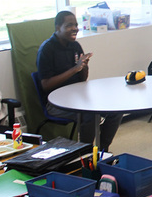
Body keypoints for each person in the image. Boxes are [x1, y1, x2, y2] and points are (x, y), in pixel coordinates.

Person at [36, 10, 122, 151]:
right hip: (56, 103)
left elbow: (82, 79)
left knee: (116, 109)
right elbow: (45, 85)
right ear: (58, 27)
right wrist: (74, 69)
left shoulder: (75, 46)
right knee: (90, 114)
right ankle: (85, 153)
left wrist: (84, 67)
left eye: (76, 25)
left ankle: (103, 150)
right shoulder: (47, 49)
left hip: (78, 96)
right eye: (69, 25)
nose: (75, 28)